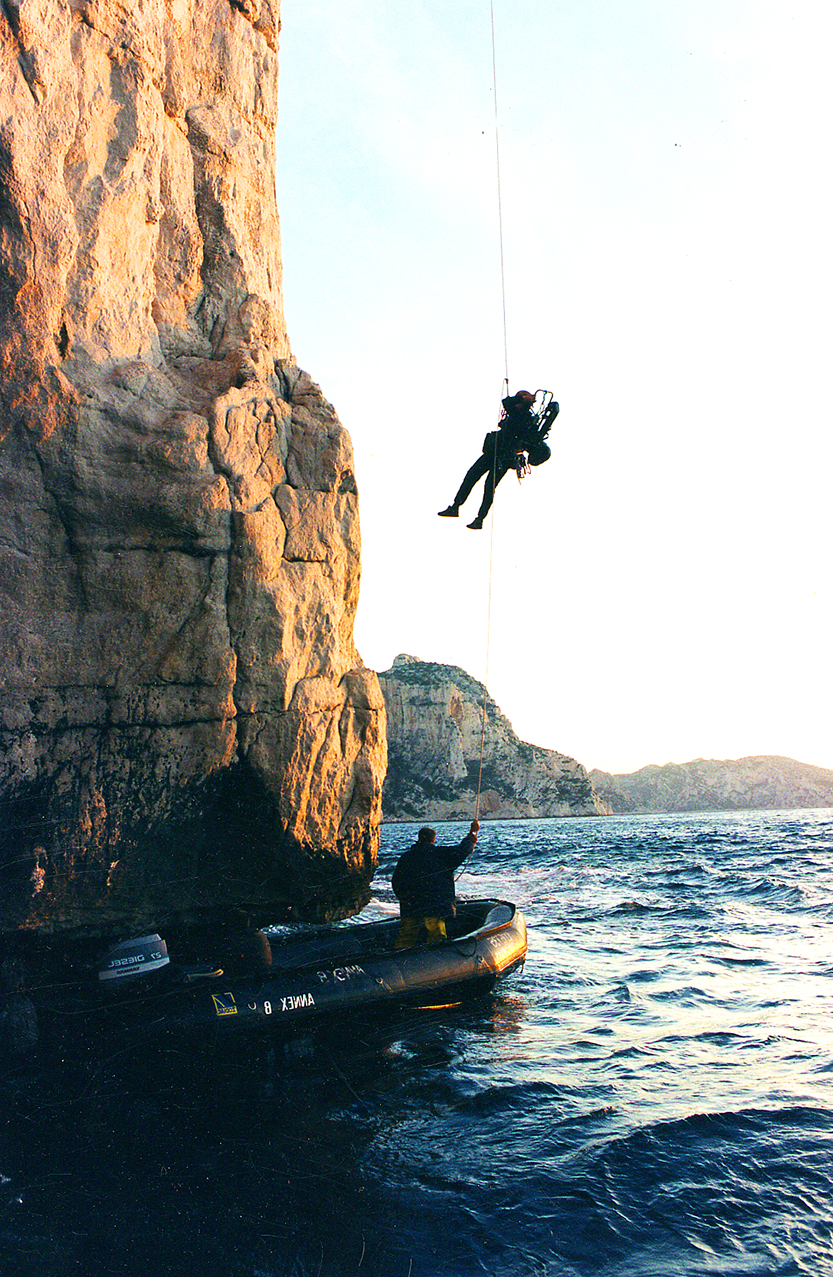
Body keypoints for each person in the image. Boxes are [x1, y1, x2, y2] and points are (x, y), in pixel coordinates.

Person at [438, 390, 554, 529]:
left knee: (484, 484)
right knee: (475, 479)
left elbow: (506, 402)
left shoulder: (519, 415)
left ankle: (475, 517)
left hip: (501, 457)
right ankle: (462, 510)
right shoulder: (524, 417)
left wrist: (522, 398)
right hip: (497, 455)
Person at [391, 819, 480, 950]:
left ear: (419, 838)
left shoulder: (406, 857)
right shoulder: (441, 854)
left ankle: (399, 957)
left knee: (406, 936)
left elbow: (396, 881)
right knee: (437, 936)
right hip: (434, 906)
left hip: (411, 906)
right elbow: (462, 850)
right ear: (433, 840)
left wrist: (404, 899)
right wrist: (472, 833)